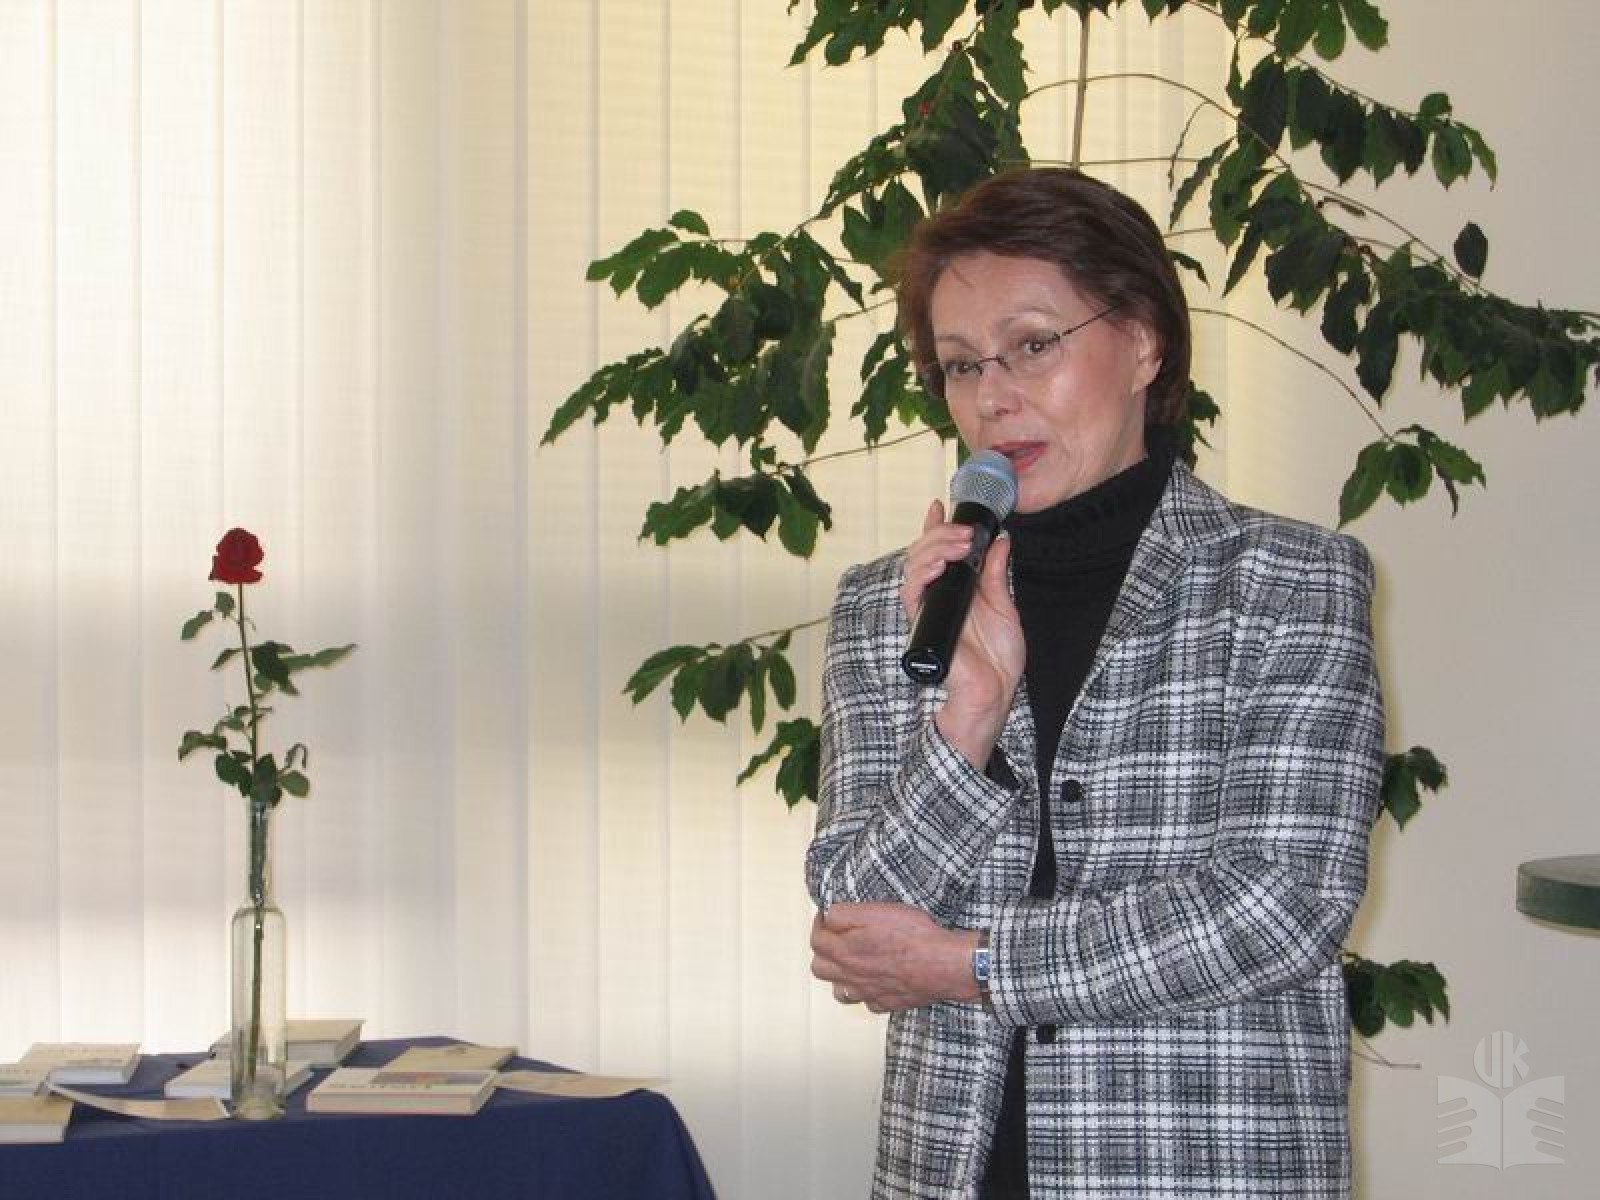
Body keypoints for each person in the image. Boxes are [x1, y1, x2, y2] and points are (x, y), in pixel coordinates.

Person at [805, 167, 1384, 1199]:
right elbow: (858, 921)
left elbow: (1279, 905)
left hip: (1202, 1169)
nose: (993, 397)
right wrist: (969, 716)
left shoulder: (1290, 581)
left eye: (1034, 345)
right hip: (954, 1169)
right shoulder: (891, 605)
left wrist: (975, 964)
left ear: (1145, 342)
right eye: (960, 365)